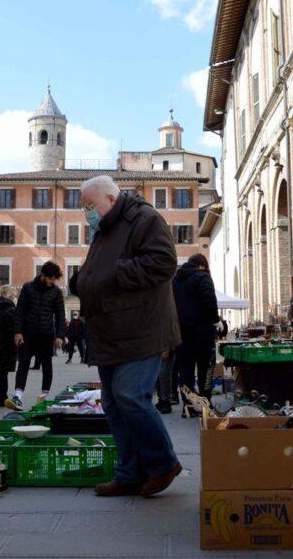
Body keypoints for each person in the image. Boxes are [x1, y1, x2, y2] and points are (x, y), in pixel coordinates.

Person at [72, 175, 182, 498]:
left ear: (110, 198)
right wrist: (82, 283)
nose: (86, 213)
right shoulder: (104, 229)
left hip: (141, 328)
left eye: (90, 206)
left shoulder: (145, 219)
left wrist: (114, 273)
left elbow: (164, 263)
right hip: (112, 331)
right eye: (83, 208)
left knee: (129, 395)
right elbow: (100, 271)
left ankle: (164, 464)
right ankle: (130, 473)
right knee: (113, 403)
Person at [5, 261, 65, 410]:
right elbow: (20, 311)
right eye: (51, 279)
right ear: (43, 275)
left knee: (47, 365)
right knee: (23, 364)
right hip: (27, 333)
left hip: (46, 335)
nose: (52, 282)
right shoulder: (28, 288)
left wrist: (60, 336)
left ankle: (43, 397)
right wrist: (17, 332)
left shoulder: (56, 292)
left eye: (54, 279)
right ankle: (17, 397)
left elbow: (60, 315)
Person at [172, 253, 219, 416]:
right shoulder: (203, 277)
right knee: (205, 370)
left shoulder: (175, 281)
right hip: (203, 334)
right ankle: (205, 404)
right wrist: (215, 320)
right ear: (202, 265)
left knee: (185, 372)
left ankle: (189, 407)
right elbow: (210, 302)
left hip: (181, 335)